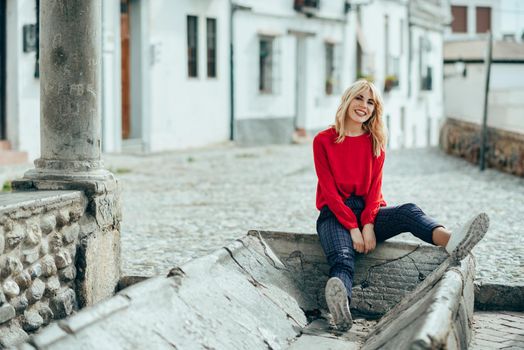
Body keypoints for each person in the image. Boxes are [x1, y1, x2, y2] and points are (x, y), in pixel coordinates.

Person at [313, 79, 488, 331]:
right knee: (342, 258)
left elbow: (374, 191)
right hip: (334, 215)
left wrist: (368, 224)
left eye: (370, 102)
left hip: (367, 212)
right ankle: (342, 308)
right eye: (359, 98)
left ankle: (452, 240)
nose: (364, 106)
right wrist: (353, 227)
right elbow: (329, 192)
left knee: (408, 211)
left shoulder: (375, 142)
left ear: (375, 110)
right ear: (347, 100)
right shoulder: (323, 140)